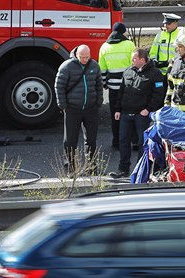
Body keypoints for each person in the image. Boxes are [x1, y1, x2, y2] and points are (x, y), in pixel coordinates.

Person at [108, 48, 165, 179]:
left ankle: (141, 170)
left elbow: (158, 94)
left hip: (142, 114)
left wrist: (148, 109)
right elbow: (121, 91)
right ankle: (123, 169)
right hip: (126, 113)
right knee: (123, 141)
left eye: (134, 58)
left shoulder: (155, 73)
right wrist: (118, 109)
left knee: (142, 142)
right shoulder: (128, 71)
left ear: (142, 59)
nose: (132, 61)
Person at [54, 44, 103, 175]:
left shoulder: (94, 66)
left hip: (90, 108)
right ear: (76, 55)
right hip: (72, 109)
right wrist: (63, 105)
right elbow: (59, 86)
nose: (85, 60)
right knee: (70, 140)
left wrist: (99, 102)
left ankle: (91, 167)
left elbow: (99, 84)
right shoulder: (67, 66)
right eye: (82, 57)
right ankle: (70, 168)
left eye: (87, 57)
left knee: (91, 140)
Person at [98, 22, 136, 150]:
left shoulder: (104, 47)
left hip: (113, 88)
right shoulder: (129, 45)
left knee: (115, 115)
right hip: (128, 87)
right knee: (131, 113)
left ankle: (117, 142)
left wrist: (104, 83)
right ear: (122, 32)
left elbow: (102, 69)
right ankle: (134, 141)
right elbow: (135, 65)